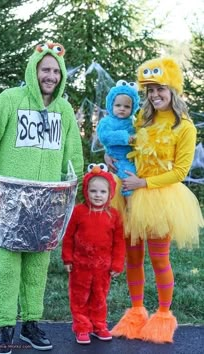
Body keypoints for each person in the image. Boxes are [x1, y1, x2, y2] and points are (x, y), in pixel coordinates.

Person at [0, 41, 84, 353]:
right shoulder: (9, 100)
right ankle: (5, 326)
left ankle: (31, 324)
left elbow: (72, 156)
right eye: (45, 69)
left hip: (47, 205)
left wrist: (75, 188)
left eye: (56, 71)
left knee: (37, 267)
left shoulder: (64, 110)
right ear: (34, 71)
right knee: (6, 266)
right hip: (8, 202)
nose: (51, 76)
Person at [105, 57, 204, 344]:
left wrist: (144, 183)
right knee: (132, 259)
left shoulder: (184, 127)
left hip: (160, 198)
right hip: (129, 194)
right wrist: (108, 157)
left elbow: (181, 172)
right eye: (149, 90)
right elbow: (123, 146)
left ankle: (162, 316)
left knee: (159, 259)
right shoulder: (141, 119)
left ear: (173, 89)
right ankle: (136, 313)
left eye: (160, 88)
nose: (155, 95)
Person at [62, 163, 126, 345]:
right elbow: (68, 237)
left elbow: (119, 242)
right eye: (93, 191)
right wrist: (67, 258)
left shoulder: (114, 215)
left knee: (99, 297)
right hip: (80, 265)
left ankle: (98, 325)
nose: (98, 195)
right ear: (86, 191)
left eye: (102, 192)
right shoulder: (79, 212)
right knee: (79, 296)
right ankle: (82, 326)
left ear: (110, 193)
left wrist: (117, 264)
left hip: (103, 267)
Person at [96, 80, 140, 210]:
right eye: (118, 105)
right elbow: (105, 137)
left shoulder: (132, 122)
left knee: (135, 174)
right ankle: (129, 204)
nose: (122, 109)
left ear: (133, 108)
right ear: (111, 105)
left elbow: (140, 137)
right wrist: (125, 137)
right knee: (128, 174)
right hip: (118, 158)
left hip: (132, 158)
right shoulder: (106, 121)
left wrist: (136, 139)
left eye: (127, 107)